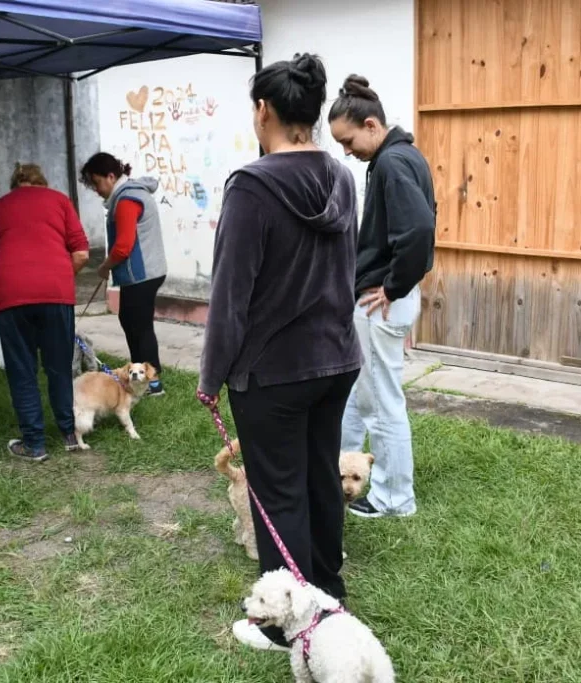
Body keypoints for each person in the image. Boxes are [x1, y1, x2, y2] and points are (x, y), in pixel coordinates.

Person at [198, 53, 362, 652]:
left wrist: (211, 374)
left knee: (279, 490)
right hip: (337, 359)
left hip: (273, 370)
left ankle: (291, 618)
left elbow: (230, 293)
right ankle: (330, 593)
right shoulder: (342, 178)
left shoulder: (252, 185)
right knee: (319, 476)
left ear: (262, 110)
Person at [328, 75, 436, 519]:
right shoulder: (403, 157)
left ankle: (394, 498)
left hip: (382, 301)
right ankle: (339, 467)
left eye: (348, 140)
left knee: (383, 403)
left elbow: (418, 231)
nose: (346, 151)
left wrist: (392, 285)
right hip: (384, 298)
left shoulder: (392, 163)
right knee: (361, 394)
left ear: (371, 124)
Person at [0, 162, 90, 460]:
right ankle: (69, 433)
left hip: (11, 294)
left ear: (14, 185)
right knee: (58, 364)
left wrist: (14, 285)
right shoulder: (59, 200)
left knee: (22, 370)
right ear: (41, 182)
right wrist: (56, 278)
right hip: (55, 293)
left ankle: (34, 444)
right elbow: (81, 253)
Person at [79, 152, 167, 397]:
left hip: (143, 274)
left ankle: (153, 382)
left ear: (111, 176)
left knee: (139, 326)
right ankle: (138, 376)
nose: (96, 190)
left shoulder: (127, 199)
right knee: (130, 321)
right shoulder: (127, 195)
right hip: (142, 273)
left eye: (97, 183)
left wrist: (105, 266)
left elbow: (123, 246)